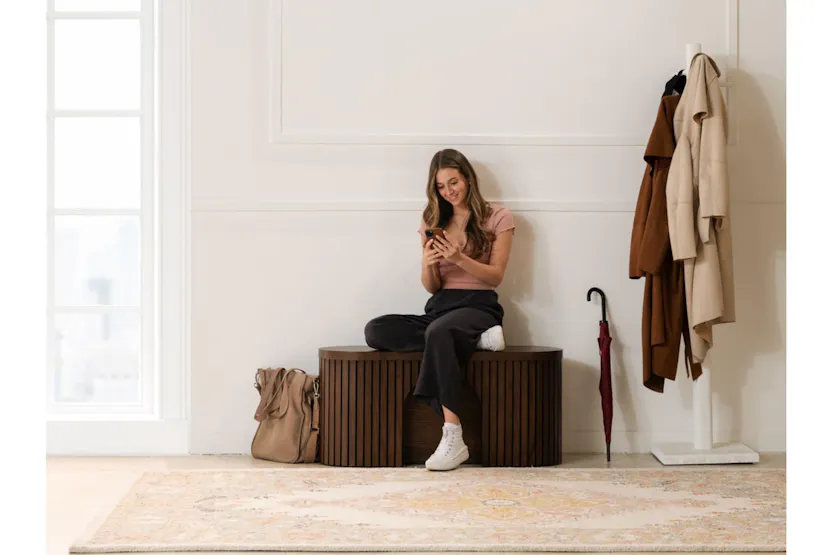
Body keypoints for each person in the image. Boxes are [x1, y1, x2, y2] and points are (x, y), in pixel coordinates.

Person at [364, 148, 515, 471]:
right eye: (441, 187)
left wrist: (459, 257)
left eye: (454, 182)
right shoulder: (432, 219)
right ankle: (476, 340)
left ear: (468, 178)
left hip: (479, 306)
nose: (449, 191)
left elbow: (496, 276)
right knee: (376, 330)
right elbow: (432, 287)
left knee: (439, 332)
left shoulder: (498, 217)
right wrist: (428, 262)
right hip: (441, 306)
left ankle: (453, 434)